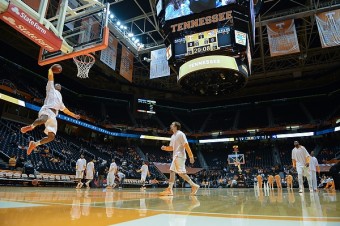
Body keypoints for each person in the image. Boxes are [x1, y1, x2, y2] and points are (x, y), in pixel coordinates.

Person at [20, 65, 80, 155]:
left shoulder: (60, 99)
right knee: (43, 119)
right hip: (47, 109)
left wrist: (74, 115)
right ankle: (31, 127)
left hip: (53, 116)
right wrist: (51, 69)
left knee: (51, 137)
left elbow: (66, 110)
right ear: (55, 86)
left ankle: (34, 144)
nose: (58, 85)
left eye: (60, 85)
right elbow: (50, 76)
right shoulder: (50, 88)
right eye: (57, 84)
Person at [159, 121, 199, 196]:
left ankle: (193, 185)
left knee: (179, 173)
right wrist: (165, 148)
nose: (170, 125)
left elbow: (186, 145)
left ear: (175, 126)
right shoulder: (173, 136)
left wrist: (191, 156)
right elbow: (172, 148)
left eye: (172, 124)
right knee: (174, 171)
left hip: (179, 156)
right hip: (176, 156)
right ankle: (170, 189)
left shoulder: (181, 134)